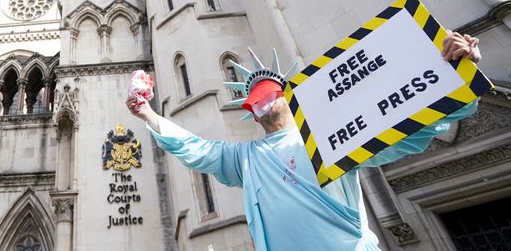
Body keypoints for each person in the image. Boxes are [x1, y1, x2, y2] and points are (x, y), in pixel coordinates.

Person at [126, 32, 481, 250]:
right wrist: (147, 113)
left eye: (269, 94)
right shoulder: (246, 158)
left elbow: (406, 134)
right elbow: (196, 150)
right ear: (251, 111)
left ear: (289, 97)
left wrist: (458, 70)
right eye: (255, 100)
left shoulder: (329, 137)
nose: (263, 101)